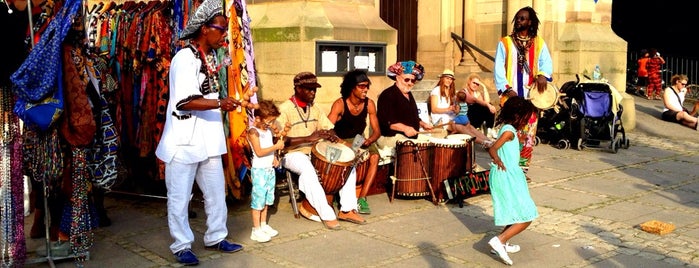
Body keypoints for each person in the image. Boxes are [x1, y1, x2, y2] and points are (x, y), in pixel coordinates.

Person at [154, 0, 243, 264]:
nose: (225, 34)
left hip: (209, 138)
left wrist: (223, 102)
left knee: (216, 193)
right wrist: (220, 103)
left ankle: (216, 236)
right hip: (184, 140)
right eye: (221, 29)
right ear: (205, 29)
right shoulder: (183, 58)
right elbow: (183, 100)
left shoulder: (211, 57)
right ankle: (181, 244)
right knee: (180, 196)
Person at [278, 71, 366, 230]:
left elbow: (329, 128)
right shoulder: (284, 109)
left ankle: (347, 209)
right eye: (309, 89)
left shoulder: (315, 108)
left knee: (348, 164)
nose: (313, 93)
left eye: (315, 89)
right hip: (291, 154)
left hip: (314, 152)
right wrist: (307, 138)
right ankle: (326, 214)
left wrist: (330, 135)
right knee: (307, 167)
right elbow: (278, 141)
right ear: (298, 89)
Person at [493, 6, 552, 180]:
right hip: (511, 98)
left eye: (523, 18)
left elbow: (546, 63)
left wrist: (542, 75)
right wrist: (507, 89)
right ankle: (506, 167)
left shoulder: (539, 43)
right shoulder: (505, 42)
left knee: (528, 136)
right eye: (517, 18)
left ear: (530, 22)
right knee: (510, 133)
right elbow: (498, 68)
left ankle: (522, 170)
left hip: (531, 98)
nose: (519, 21)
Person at [486, 96, 539, 266]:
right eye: (526, 119)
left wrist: (520, 140)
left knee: (513, 211)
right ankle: (499, 240)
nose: (528, 123)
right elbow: (493, 148)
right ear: (518, 116)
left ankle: (502, 242)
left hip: (510, 174)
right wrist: (497, 160)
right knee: (526, 214)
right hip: (506, 175)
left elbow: (508, 147)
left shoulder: (510, 131)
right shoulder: (509, 131)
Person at [327, 69, 381, 215]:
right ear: (352, 87)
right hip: (341, 139)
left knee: (375, 157)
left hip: (359, 138)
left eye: (367, 86)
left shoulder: (369, 104)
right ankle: (339, 192)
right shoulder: (340, 104)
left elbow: (377, 130)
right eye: (361, 86)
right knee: (350, 157)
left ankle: (362, 198)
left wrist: (370, 139)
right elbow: (327, 129)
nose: (366, 89)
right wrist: (344, 144)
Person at [246, 100, 284, 243]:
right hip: (260, 171)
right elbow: (260, 152)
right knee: (258, 200)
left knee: (268, 198)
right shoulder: (253, 132)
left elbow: (269, 148)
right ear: (257, 118)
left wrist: (274, 157)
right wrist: (276, 147)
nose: (270, 124)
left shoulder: (267, 131)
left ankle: (263, 224)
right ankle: (255, 229)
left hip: (269, 169)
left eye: (272, 121)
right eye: (268, 122)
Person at [376, 60, 434, 151]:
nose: (410, 83)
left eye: (413, 80)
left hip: (409, 137)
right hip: (391, 137)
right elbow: (389, 122)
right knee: (414, 148)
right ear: (397, 78)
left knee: (432, 143)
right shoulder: (387, 95)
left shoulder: (409, 94)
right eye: (407, 79)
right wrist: (405, 128)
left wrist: (423, 124)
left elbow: (411, 116)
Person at [429, 69, 492, 146]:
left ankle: (489, 141)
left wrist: (456, 109)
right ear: (442, 78)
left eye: (451, 79)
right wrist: (448, 109)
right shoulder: (436, 90)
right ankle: (483, 142)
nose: (449, 81)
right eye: (447, 78)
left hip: (451, 116)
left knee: (469, 126)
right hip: (440, 118)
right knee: (461, 127)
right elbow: (434, 109)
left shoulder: (450, 91)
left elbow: (472, 100)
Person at [463, 73, 497, 137]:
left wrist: (484, 87)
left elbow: (487, 101)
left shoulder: (477, 93)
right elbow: (472, 101)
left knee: (488, 105)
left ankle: (489, 128)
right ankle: (488, 128)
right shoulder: (465, 91)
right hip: (468, 115)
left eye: (477, 84)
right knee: (479, 105)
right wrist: (488, 105)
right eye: (474, 83)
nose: (475, 85)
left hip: (476, 117)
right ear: (469, 82)